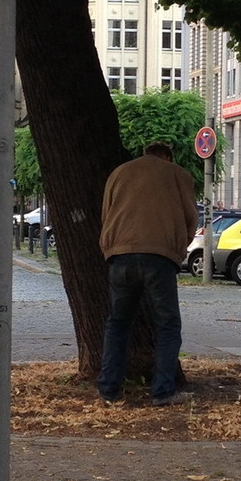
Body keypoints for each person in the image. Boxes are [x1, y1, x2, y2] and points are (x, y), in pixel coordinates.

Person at [98, 142, 199, 406]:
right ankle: (163, 391)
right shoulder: (176, 173)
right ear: (167, 156)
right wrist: (180, 247)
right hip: (160, 257)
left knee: (117, 323)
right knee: (167, 325)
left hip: (120, 256)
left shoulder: (119, 173)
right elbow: (191, 217)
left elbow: (106, 214)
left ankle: (109, 389)